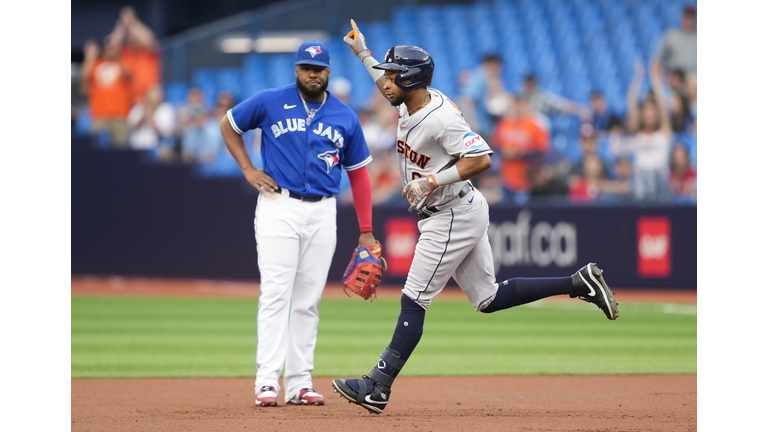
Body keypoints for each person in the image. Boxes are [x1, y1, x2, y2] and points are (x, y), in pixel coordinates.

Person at [332, 20, 620, 415]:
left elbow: (482, 158)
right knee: (487, 298)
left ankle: (377, 385)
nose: (386, 81)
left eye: (393, 74)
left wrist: (432, 178)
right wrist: (362, 53)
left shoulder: (440, 117)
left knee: (413, 301)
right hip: (460, 208)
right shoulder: (407, 100)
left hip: (449, 213)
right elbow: (385, 86)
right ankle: (578, 281)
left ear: (411, 81)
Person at [219, 40, 381, 408]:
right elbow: (229, 125)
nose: (313, 73)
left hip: (324, 211)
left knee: (308, 301)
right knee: (276, 293)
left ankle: (299, 383)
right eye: (307, 67)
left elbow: (358, 176)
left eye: (319, 68)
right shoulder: (269, 101)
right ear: (296, 70)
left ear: (328, 72)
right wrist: (247, 169)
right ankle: (266, 381)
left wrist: (367, 229)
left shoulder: (344, 116)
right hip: (279, 204)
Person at [625, 60, 673, 202]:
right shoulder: (637, 134)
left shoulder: (663, 133)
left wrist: (655, 78)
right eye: (646, 110)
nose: (649, 114)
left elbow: (662, 104)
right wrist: (638, 79)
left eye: (653, 110)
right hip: (640, 181)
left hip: (660, 180)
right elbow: (630, 101)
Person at [490, 94, 551, 195]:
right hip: (505, 179)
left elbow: (541, 152)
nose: (518, 109)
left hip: (527, 179)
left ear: (527, 106)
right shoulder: (504, 123)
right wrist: (504, 152)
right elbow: (495, 146)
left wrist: (521, 154)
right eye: (516, 105)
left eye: (521, 105)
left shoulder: (537, 126)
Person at [79, 36, 133, 147]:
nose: (110, 50)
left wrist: (118, 57)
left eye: (113, 48)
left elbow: (129, 76)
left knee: (121, 149)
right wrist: (90, 57)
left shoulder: (122, 61)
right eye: (108, 48)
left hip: (120, 115)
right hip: (99, 115)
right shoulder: (96, 63)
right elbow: (84, 77)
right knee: (95, 148)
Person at [108, 6, 162, 105]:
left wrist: (132, 22)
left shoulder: (149, 52)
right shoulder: (125, 53)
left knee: (154, 93)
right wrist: (122, 25)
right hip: (130, 102)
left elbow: (149, 39)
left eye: (134, 36)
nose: (132, 38)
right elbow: (111, 46)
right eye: (130, 36)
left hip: (150, 102)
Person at [458, 54, 507, 138]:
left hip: (486, 124)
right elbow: (468, 100)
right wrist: (471, 122)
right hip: (478, 125)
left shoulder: (487, 77)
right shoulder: (478, 78)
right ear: (492, 64)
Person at [125, 83, 176, 157]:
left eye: (155, 98)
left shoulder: (166, 109)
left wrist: (150, 117)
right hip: (136, 147)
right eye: (150, 98)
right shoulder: (138, 109)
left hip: (157, 148)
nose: (152, 102)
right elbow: (130, 126)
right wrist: (143, 117)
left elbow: (166, 132)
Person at [655, 4, 697, 78]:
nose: (689, 21)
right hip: (677, 81)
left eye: (691, 18)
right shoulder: (671, 36)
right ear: (681, 17)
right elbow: (658, 61)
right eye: (687, 17)